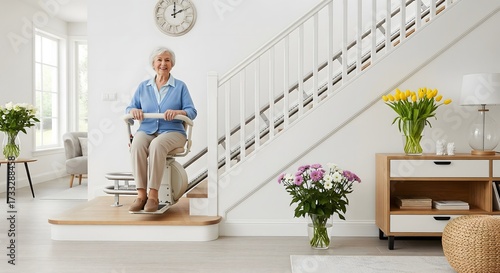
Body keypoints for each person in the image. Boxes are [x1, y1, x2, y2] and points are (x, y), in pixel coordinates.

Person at [125, 47, 197, 212]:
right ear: (153, 64)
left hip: (173, 132)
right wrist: (133, 111)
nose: (163, 63)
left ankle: (153, 195)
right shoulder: (144, 87)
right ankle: (141, 194)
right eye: (159, 60)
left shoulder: (180, 87)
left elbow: (192, 112)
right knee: (137, 144)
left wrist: (179, 112)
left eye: (167, 60)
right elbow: (130, 107)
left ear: (172, 64)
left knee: (157, 144)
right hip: (147, 129)